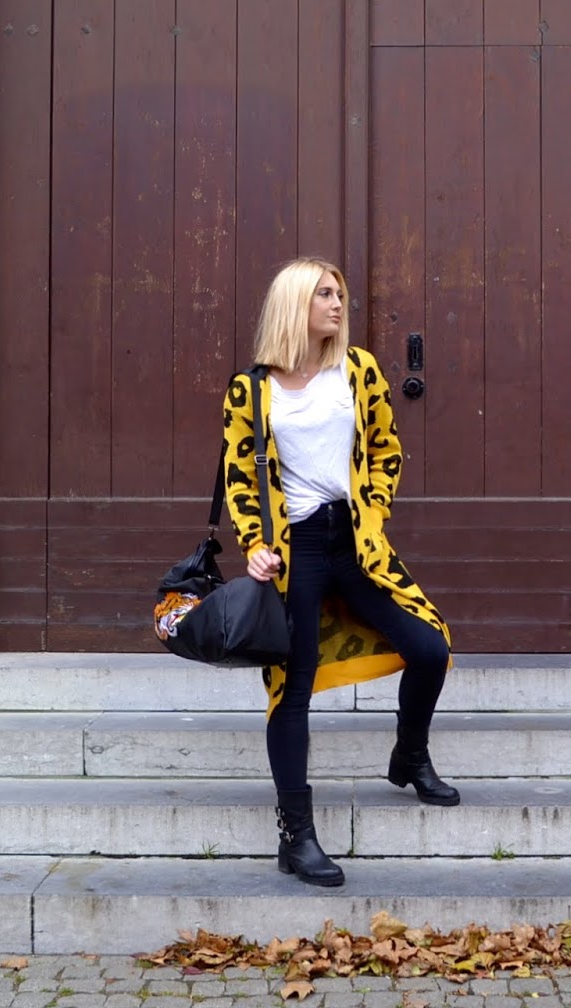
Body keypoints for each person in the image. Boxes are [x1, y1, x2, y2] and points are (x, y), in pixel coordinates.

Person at [221, 257, 458, 888]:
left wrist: (372, 513)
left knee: (429, 649)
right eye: (324, 293)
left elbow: (385, 449)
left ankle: (409, 755)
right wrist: (254, 544)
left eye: (338, 293)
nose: (337, 303)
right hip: (294, 552)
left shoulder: (358, 370)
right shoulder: (251, 390)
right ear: (294, 304)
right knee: (291, 689)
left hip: (356, 542)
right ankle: (295, 837)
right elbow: (240, 476)